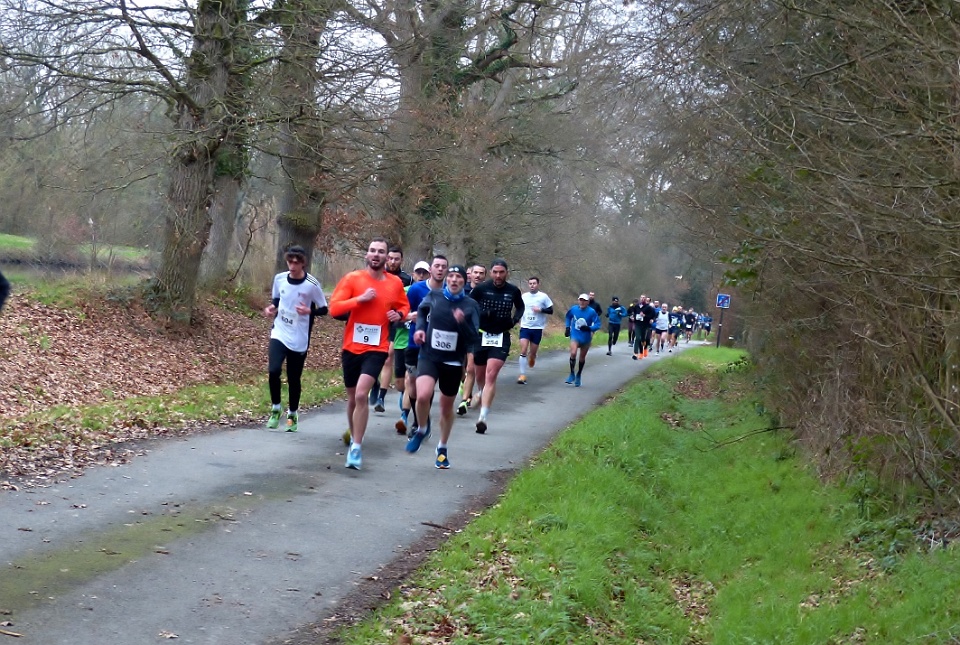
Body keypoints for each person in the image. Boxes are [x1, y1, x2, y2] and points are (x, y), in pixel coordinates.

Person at [328, 237, 410, 470]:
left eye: (381, 251)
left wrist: (399, 315)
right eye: (373, 250)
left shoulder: (394, 283)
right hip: (351, 347)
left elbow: (404, 306)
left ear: (386, 257)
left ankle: (356, 447)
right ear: (367, 255)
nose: (376, 254)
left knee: (362, 394)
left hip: (377, 347)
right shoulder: (353, 279)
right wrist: (359, 299)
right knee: (353, 398)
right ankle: (354, 433)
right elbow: (334, 308)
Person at [405, 265, 480, 468]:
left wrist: (462, 322)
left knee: (446, 408)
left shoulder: (470, 305)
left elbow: (474, 338)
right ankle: (422, 429)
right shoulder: (434, 296)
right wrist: (420, 329)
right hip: (429, 355)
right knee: (422, 395)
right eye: (451, 276)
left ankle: (442, 447)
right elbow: (421, 312)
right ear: (447, 279)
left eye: (458, 277)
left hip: (453, 361)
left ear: (464, 281)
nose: (454, 280)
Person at [262, 246, 328, 433]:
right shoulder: (280, 278)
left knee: (293, 377)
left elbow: (324, 309)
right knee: (274, 370)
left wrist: (309, 311)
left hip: (299, 336)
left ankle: (292, 413)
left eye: (296, 262)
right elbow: (277, 299)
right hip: (280, 331)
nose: (292, 265)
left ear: (303, 263)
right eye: (290, 261)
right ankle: (276, 408)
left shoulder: (311, 284)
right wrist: (271, 308)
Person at [469, 259, 524, 434]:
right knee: (480, 375)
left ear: (507, 273)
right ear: (491, 273)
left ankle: (483, 418)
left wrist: (514, 320)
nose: (498, 275)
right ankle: (481, 393)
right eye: (495, 272)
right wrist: (484, 313)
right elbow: (469, 306)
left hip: (501, 336)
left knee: (491, 375)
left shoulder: (513, 290)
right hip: (481, 334)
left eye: (501, 272)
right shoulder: (481, 289)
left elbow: (520, 307)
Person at [401, 254, 449, 437]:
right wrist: (410, 316)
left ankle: (420, 422)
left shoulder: (449, 291)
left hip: (438, 346)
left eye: (443, 266)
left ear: (446, 270)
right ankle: (419, 418)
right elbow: (404, 312)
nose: (440, 269)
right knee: (413, 384)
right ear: (431, 269)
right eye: (437, 266)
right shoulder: (416, 289)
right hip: (415, 343)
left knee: (427, 386)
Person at [370, 246, 414, 413]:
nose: (393, 262)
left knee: (389, 357)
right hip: (378, 322)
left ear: (401, 260)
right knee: (377, 356)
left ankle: (383, 396)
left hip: (398, 323)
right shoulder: (377, 275)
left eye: (396, 259)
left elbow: (409, 302)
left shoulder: (407, 280)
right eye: (390, 258)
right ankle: (375, 384)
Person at [457, 264, 488, 414]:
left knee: (471, 368)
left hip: (477, 334)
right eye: (475, 272)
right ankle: (463, 385)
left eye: (481, 273)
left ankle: (465, 400)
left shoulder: (488, 291)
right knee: (459, 367)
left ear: (485, 276)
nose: (477, 276)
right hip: (459, 333)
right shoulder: (462, 290)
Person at [517, 276, 554, 384]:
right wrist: (517, 318)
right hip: (525, 326)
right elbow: (519, 308)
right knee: (523, 350)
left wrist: (541, 309)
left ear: (538, 284)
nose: (532, 285)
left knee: (532, 352)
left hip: (537, 328)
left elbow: (551, 310)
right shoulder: (524, 296)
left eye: (534, 283)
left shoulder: (543, 297)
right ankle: (522, 375)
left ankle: (532, 357)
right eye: (530, 284)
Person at [564, 294, 602, 386]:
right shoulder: (574, 309)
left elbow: (597, 324)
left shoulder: (591, 311)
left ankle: (579, 375)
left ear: (588, 302)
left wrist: (589, 328)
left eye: (584, 300)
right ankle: (572, 373)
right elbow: (568, 317)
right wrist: (567, 327)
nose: (582, 302)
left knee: (582, 358)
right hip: (575, 335)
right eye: (581, 300)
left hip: (586, 337)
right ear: (578, 300)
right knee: (573, 353)